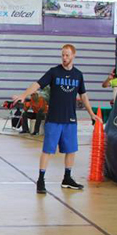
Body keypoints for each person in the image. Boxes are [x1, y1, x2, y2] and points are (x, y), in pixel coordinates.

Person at [12, 44, 100, 194]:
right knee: (47, 150)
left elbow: (83, 95)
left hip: (70, 119)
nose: (64, 58)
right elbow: (37, 84)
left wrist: (91, 113)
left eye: (67, 55)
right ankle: (41, 180)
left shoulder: (78, 75)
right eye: (63, 55)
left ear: (73, 56)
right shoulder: (54, 72)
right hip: (54, 119)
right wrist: (24, 94)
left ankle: (67, 178)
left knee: (71, 150)